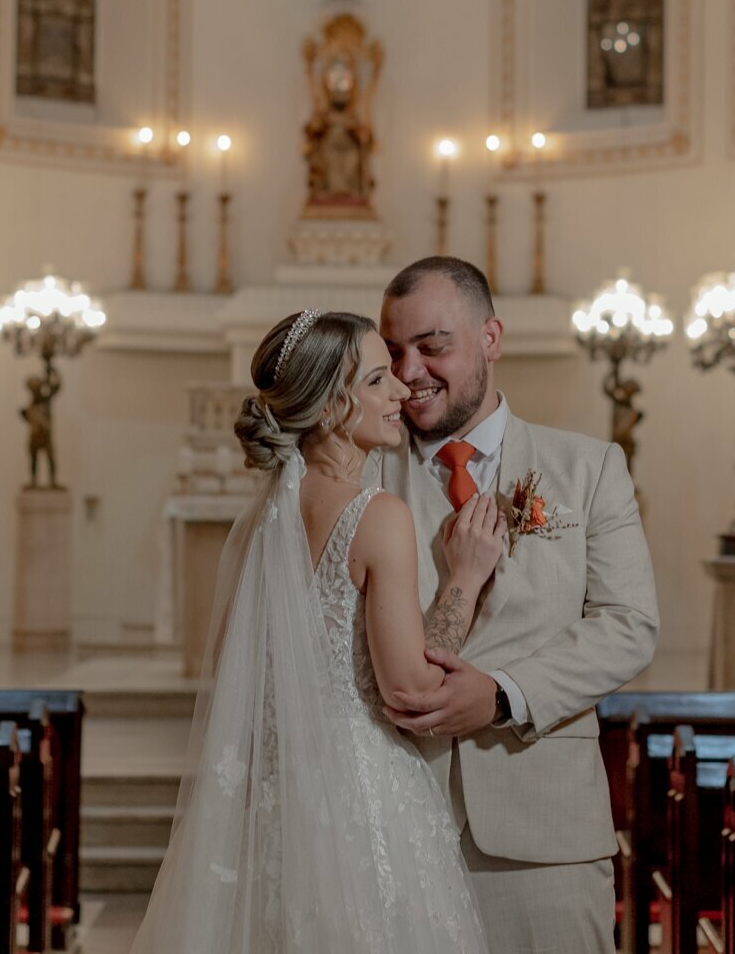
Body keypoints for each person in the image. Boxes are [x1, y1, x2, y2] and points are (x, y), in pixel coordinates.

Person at [132, 308, 507, 952]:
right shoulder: (376, 515)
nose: (400, 392)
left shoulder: (258, 522)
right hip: (359, 797)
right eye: (377, 380)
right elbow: (410, 688)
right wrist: (465, 580)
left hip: (275, 793)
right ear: (333, 407)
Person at [373, 255, 659, 953]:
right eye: (393, 351)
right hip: (389, 827)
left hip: (546, 838)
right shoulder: (358, 473)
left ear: (491, 338)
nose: (410, 371)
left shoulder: (588, 468)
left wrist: (504, 694)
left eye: (433, 345)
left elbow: (629, 625)